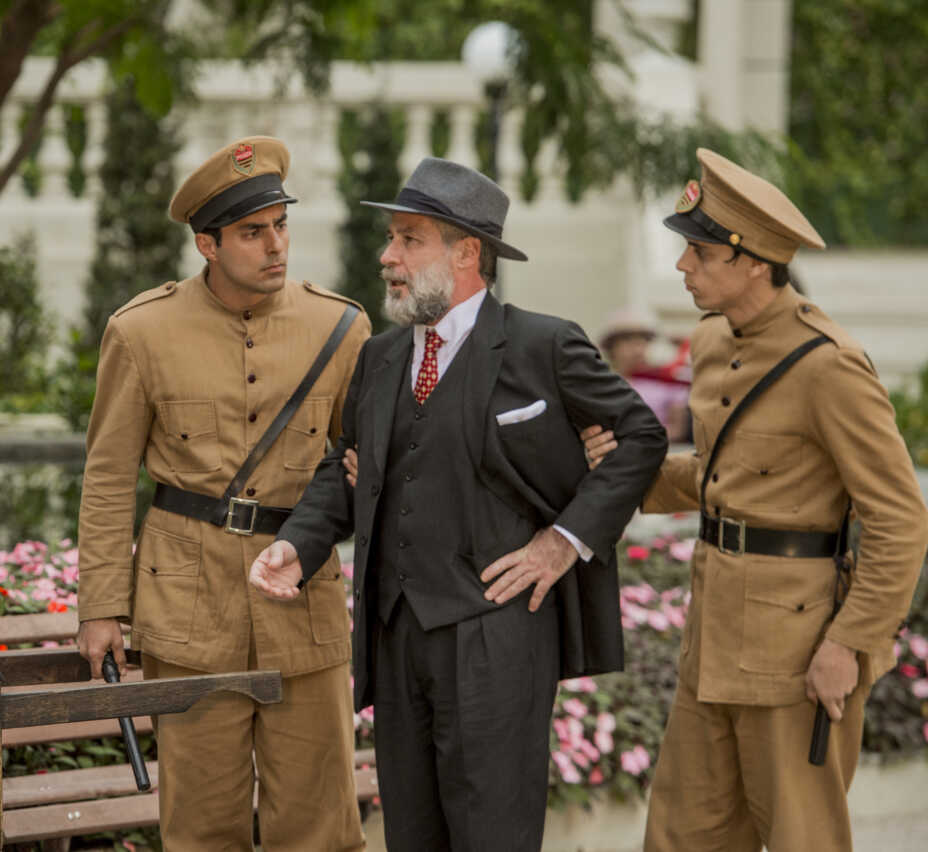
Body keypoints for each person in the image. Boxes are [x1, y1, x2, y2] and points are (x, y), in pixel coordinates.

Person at [249, 157, 668, 851]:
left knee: (491, 835)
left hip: (498, 637)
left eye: (409, 239)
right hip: (396, 633)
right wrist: (298, 543)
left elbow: (641, 438)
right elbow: (349, 470)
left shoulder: (544, 345)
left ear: (467, 252)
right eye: (392, 239)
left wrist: (562, 541)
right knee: (412, 834)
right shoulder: (380, 359)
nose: (388, 256)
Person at [585, 148, 928, 851]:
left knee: (802, 838)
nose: (683, 267)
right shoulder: (713, 341)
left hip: (796, 656)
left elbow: (899, 519)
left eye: (700, 254)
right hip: (711, 638)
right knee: (681, 837)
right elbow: (721, 477)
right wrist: (628, 473)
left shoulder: (829, 365)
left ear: (753, 264)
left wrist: (849, 643)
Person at [75, 137, 370, 851]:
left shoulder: (341, 326)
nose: (275, 247)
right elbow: (110, 475)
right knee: (202, 825)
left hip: (302, 598)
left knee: (320, 822)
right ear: (207, 243)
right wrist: (101, 606)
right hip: (187, 604)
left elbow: (360, 468)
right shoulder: (141, 330)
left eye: (280, 226)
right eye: (251, 232)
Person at [598, 307, 692, 442]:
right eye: (627, 340)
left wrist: (639, 440)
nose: (637, 349)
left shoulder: (668, 383)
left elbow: (678, 429)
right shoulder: (600, 385)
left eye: (643, 340)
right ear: (611, 346)